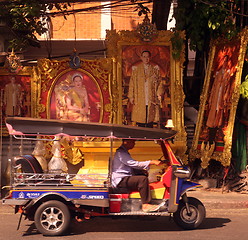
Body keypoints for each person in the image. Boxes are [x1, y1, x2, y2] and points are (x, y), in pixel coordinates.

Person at [111, 139, 162, 212]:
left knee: (143, 174)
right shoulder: (121, 153)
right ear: (126, 142)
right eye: (133, 142)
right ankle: (145, 204)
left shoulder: (124, 152)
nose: (134, 144)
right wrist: (151, 162)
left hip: (124, 177)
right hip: (121, 180)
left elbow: (131, 166)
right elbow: (134, 164)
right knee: (142, 179)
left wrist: (144, 169)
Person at [128, 50, 163, 127]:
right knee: (140, 116)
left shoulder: (155, 70)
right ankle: (141, 134)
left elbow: (160, 83)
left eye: (147, 57)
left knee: (150, 115)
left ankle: (149, 133)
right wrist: (131, 96)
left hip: (151, 96)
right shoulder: (136, 70)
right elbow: (132, 83)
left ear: (150, 58)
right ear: (141, 57)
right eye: (144, 57)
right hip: (140, 96)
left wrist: (159, 94)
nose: (146, 59)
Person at [206, 55, 232, 143]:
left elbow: (228, 87)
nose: (225, 63)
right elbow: (214, 87)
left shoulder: (228, 74)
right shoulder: (218, 73)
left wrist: (226, 98)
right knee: (213, 114)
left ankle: (218, 135)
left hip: (222, 97)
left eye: (226, 61)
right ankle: (211, 137)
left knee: (220, 114)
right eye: (223, 61)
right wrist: (211, 98)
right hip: (216, 97)